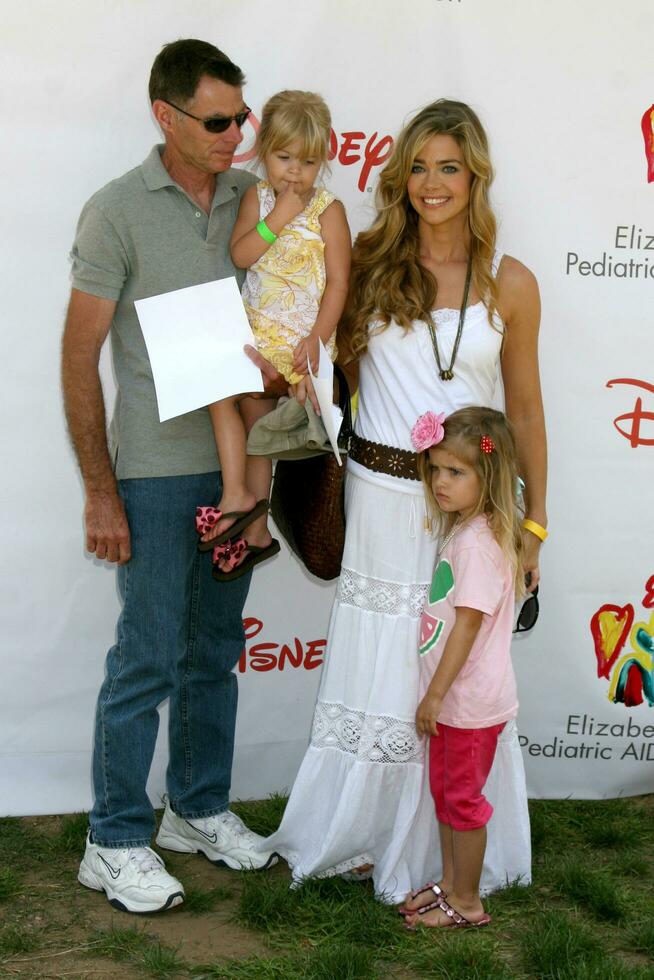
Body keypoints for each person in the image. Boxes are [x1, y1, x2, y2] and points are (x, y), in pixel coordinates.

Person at [261, 99, 547, 903]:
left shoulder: (511, 283)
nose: (431, 183)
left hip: (474, 518)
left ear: (476, 175)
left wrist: (533, 525)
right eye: (418, 166)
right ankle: (361, 833)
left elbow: (524, 411)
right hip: (383, 500)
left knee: (455, 674)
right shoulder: (373, 268)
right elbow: (317, 359)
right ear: (400, 177)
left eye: (448, 166)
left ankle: (449, 856)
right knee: (379, 671)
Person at [61, 38, 277, 915]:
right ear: (166, 116)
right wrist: (101, 491)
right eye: (218, 120)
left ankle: (195, 810)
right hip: (151, 475)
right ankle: (112, 839)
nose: (236, 134)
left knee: (213, 655)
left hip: (241, 474)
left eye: (242, 117)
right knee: (145, 658)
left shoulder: (248, 199)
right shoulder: (114, 210)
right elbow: (79, 363)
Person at [196, 90, 351, 582]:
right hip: (254, 334)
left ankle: (253, 520)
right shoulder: (256, 198)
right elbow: (241, 256)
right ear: (264, 154)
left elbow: (340, 282)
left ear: (322, 162)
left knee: (260, 431)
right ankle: (241, 503)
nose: (294, 172)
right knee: (225, 399)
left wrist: (319, 341)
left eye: (307, 162)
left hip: (300, 345)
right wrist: (275, 220)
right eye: (284, 158)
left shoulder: (329, 209)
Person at [401, 406, 524, 930]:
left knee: (462, 804)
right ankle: (451, 885)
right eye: (435, 469)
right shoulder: (470, 530)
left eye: (455, 472)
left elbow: (466, 627)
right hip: (457, 701)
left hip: (466, 703)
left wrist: (434, 696)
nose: (439, 482)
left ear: (487, 476)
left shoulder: (476, 543)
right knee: (447, 797)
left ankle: (468, 902)